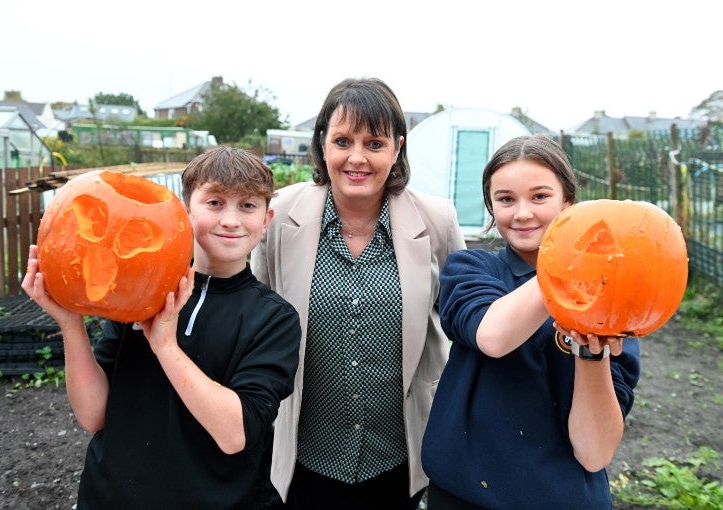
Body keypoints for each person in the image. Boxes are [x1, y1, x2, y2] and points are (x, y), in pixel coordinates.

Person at [21, 146, 301, 509]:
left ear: (266, 220)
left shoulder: (273, 318)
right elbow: (93, 416)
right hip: (110, 498)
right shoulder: (140, 288)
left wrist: (165, 346)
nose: (230, 220)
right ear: (184, 213)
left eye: (247, 206)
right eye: (214, 203)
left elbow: (236, 434)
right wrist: (70, 323)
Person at [250, 77, 466, 509]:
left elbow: (463, 325)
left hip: (400, 459)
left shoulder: (437, 222)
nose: (357, 158)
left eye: (374, 143)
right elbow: (254, 314)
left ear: (397, 148)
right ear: (323, 145)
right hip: (305, 459)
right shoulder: (279, 218)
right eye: (343, 140)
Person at [421, 134, 641, 509]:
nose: (522, 213)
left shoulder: (611, 298)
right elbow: (493, 336)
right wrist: (567, 267)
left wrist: (592, 355)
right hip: (462, 498)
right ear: (491, 207)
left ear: (569, 202)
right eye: (506, 199)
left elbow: (594, 452)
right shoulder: (471, 269)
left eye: (540, 196)